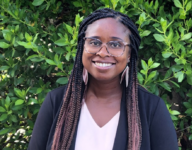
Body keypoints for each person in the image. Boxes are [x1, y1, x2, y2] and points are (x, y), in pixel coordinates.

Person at [28, 8, 178, 150]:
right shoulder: (56, 102)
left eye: (115, 44)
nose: (103, 52)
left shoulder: (151, 108)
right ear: (82, 47)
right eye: (94, 42)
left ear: (129, 54)